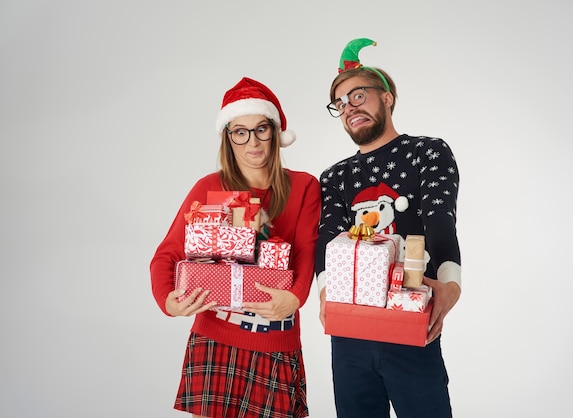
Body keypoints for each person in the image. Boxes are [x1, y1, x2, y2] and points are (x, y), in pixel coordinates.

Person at [150, 77, 321, 418]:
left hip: (275, 339)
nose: (252, 142)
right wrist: (167, 298)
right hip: (215, 336)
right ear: (228, 138)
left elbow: (306, 251)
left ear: (274, 132)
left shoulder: (304, 186)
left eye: (261, 129)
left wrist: (296, 296)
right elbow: (168, 252)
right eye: (240, 132)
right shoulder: (210, 187)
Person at [315, 38, 462, 418]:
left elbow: (440, 218)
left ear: (387, 97)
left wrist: (450, 282)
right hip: (350, 330)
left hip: (411, 317)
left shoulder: (427, 152)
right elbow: (328, 238)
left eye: (358, 94)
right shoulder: (334, 177)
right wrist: (326, 292)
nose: (349, 108)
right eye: (340, 103)